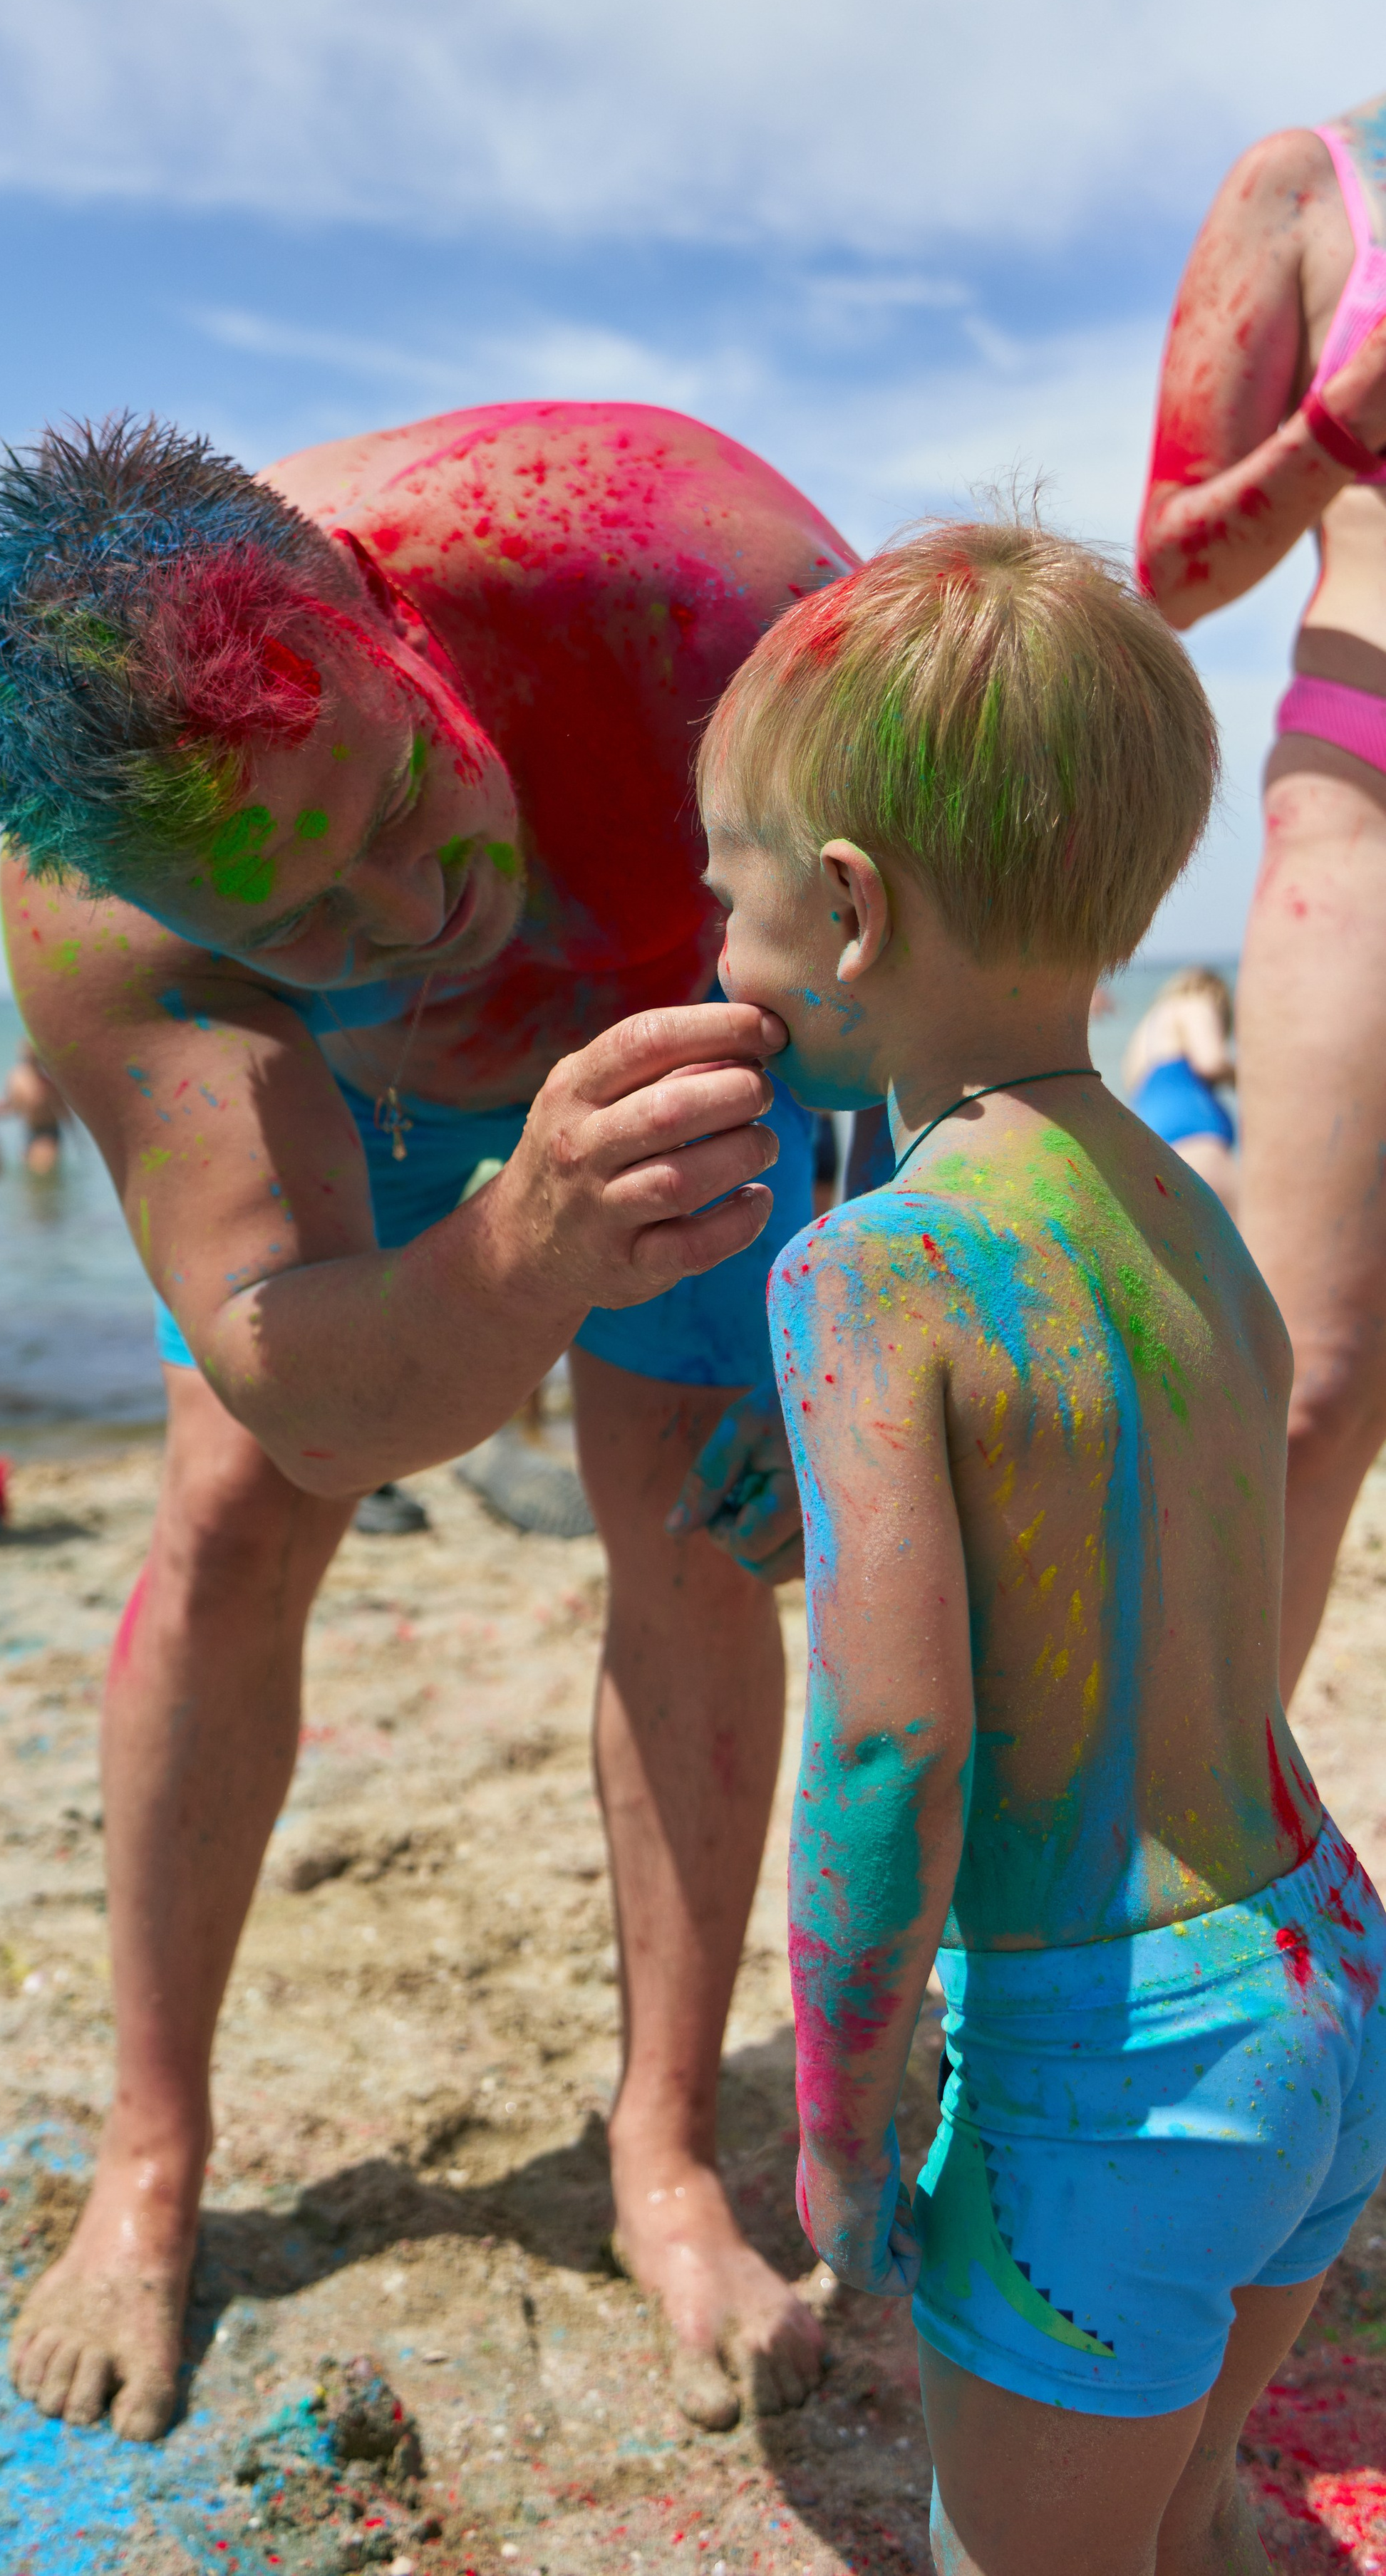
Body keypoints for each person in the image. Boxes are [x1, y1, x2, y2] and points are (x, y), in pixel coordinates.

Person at [0, 402, 859, 2439]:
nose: (412, 904)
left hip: (681, 1023)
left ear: (382, 614)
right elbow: (311, 1393)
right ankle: (152, 2153)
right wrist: (518, 1243)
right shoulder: (105, 927)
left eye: (409, 789)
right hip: (388, 1133)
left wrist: (859, 1275)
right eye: (306, 910)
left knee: (690, 1522)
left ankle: (666, 2142)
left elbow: (925, 954)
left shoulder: (700, 580)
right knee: (235, 1521)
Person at [697, 517, 1385, 2575]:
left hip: (1120, 2073)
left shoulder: (865, 1277)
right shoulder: (1190, 1208)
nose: (706, 934)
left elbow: (896, 1748)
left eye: (717, 885)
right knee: (1184, 2506)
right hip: (1325, 1979)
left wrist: (832, 2118)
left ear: (844, 908)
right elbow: (1147, 1535)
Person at [1137, 56, 1386, 1698]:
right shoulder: (1306, 186)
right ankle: (1211, 1877)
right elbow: (1163, 569)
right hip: (1362, 810)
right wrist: (1328, 434)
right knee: (1300, 1391)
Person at [1122, 966, 1238, 1212]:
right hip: (1198, 1144)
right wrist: (1247, 1080)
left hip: (1152, 1161)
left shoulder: (1143, 1032)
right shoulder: (1194, 1001)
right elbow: (1211, 1061)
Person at [0, 1039, 66, 1175]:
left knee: (42, 1174)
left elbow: (63, 1110)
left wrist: (78, 1138)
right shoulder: (16, 1078)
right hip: (29, 1133)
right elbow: (12, 1106)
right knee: (32, 1178)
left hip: (48, 1133)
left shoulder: (47, 1081)